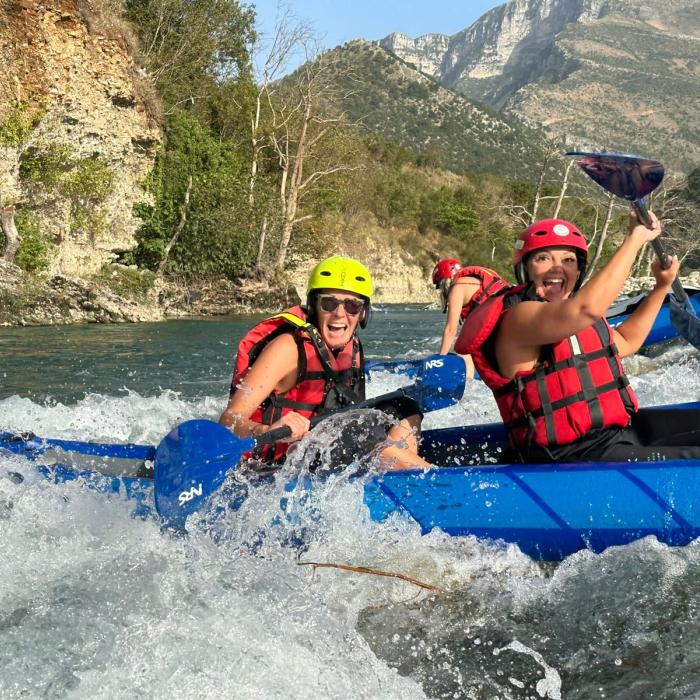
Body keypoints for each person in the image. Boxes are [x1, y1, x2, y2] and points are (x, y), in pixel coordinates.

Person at [455, 215, 700, 463]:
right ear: (524, 269)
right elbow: (586, 309)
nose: (557, 267)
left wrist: (661, 287)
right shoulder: (519, 317)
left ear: (579, 271)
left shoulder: (571, 316)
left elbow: (627, 341)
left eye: (568, 260)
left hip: (616, 433)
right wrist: (635, 239)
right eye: (543, 258)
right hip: (570, 453)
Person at [220, 256, 431, 471]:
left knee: (403, 406)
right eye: (329, 303)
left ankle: (401, 477)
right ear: (314, 306)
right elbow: (228, 420)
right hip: (275, 465)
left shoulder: (352, 346)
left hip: (321, 450)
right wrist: (267, 430)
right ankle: (433, 478)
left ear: (363, 312)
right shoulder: (288, 348)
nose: (339, 313)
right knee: (357, 437)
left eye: (352, 305)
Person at [432, 258, 510, 376]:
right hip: (509, 313)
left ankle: (469, 384)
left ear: (444, 282)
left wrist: (440, 360)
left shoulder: (457, 288)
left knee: (465, 354)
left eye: (439, 285)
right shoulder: (473, 281)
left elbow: (450, 330)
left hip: (501, 317)